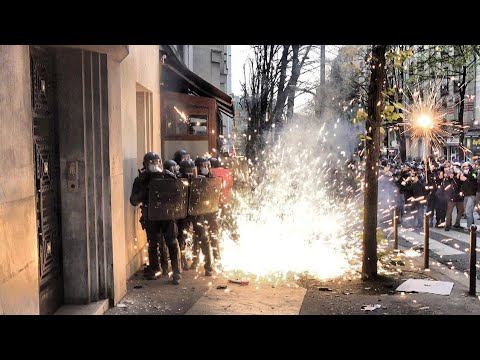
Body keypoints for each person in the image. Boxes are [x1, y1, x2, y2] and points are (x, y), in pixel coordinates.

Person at [129, 152, 182, 284]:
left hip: (167, 216)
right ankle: (155, 269)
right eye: (152, 163)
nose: (155, 165)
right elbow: (133, 200)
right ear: (145, 165)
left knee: (172, 242)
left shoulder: (168, 177)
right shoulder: (141, 180)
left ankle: (176, 272)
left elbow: (178, 196)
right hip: (151, 216)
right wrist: (145, 191)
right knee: (153, 243)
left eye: (157, 162)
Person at [177, 158, 214, 276]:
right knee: (181, 237)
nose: (189, 173)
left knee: (202, 238)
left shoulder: (200, 181)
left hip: (196, 212)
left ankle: (208, 266)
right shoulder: (178, 181)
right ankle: (182, 261)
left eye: (191, 170)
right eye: (187, 171)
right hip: (183, 214)